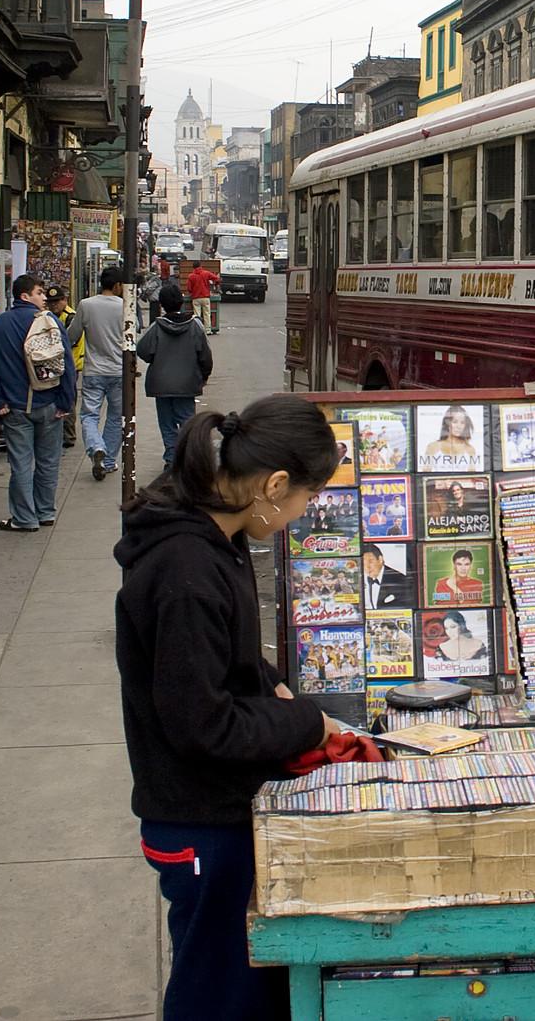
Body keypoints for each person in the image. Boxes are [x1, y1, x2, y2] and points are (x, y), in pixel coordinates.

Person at [114, 394, 342, 1021]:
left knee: (242, 981)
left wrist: (271, 684)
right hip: (199, 824)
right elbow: (202, 722)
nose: (302, 514)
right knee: (217, 990)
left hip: (219, 809)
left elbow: (228, 656)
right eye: (306, 498)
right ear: (273, 485)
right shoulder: (186, 566)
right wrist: (306, 722)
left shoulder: (219, 531)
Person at [0, 274, 78, 532]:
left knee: (21, 463)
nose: (44, 297)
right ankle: (45, 510)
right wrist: (65, 403)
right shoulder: (50, 323)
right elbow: (66, 364)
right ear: (25, 296)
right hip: (49, 403)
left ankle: (24, 517)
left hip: (14, 406)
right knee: (48, 461)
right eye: (38, 292)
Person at [137, 281, 215, 466]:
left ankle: (171, 459)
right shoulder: (195, 326)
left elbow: (142, 349)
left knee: (166, 424)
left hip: (161, 384)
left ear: (162, 305)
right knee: (187, 423)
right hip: (187, 384)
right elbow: (205, 355)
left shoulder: (156, 327)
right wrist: (204, 376)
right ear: (182, 302)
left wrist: (156, 358)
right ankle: (187, 460)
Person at [68, 266, 128, 481]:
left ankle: (96, 448)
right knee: (115, 417)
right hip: (119, 371)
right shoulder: (124, 306)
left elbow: (72, 335)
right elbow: (133, 332)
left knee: (89, 415)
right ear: (118, 285)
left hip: (93, 371)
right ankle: (109, 461)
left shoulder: (86, 305)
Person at [46, 290, 81, 449]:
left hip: (70, 366)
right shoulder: (49, 316)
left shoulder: (70, 317)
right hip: (56, 365)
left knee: (68, 398)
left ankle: (69, 435)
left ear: (64, 300)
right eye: (51, 302)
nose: (54, 305)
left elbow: (69, 341)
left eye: (57, 301)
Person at [360, 545, 412, 610]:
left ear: (380, 559)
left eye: (370, 561)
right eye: (363, 563)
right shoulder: (362, 580)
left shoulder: (400, 580)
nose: (367, 567)